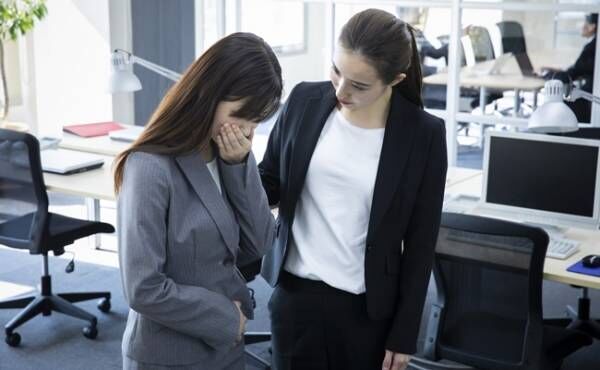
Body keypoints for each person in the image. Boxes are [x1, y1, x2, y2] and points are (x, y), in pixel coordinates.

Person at [259, 8, 448, 370]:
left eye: (359, 85)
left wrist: (405, 333)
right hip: (296, 296)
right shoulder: (303, 101)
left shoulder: (423, 135)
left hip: (368, 309)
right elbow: (269, 182)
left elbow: (422, 242)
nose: (341, 90)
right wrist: (232, 164)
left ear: (395, 79)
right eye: (336, 71)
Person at [113, 32, 282, 370]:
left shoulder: (230, 152)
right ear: (209, 93)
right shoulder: (149, 167)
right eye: (241, 114)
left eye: (257, 120)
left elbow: (259, 243)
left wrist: (238, 166)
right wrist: (225, 318)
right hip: (170, 353)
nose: (247, 131)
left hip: (226, 348)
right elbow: (142, 288)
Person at [543, 13, 597, 123]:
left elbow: (575, 72)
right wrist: (556, 70)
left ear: (592, 27)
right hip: (590, 92)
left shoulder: (593, 47)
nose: (582, 26)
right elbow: (579, 68)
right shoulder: (594, 44)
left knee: (563, 99)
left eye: (585, 23)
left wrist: (549, 75)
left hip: (589, 97)